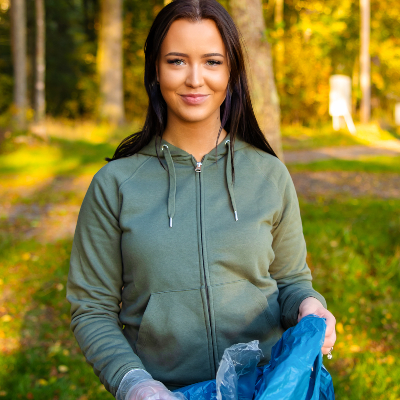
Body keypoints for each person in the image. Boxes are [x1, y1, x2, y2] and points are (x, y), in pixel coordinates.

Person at [67, 1, 337, 399]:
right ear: (155, 71)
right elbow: (92, 309)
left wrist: (310, 306)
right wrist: (134, 383)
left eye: (212, 61)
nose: (195, 79)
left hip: (266, 387)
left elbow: (291, 282)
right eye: (177, 61)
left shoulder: (269, 175)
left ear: (231, 72)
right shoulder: (115, 185)